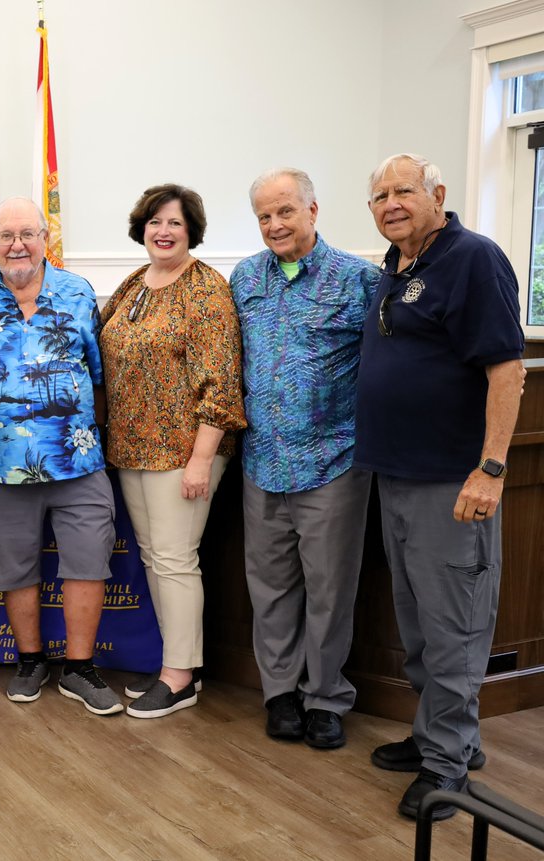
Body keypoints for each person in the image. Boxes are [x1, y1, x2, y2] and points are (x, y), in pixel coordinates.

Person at [357, 154, 524, 820]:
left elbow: (506, 371)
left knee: (455, 626)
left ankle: (448, 767)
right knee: (421, 627)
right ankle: (441, 738)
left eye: (405, 190)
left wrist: (490, 468)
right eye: (379, 196)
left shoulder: (473, 258)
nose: (392, 203)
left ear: (438, 194)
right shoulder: (395, 268)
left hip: (453, 483)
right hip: (395, 475)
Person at [229, 169, 379, 749]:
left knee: (330, 589)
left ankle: (325, 698)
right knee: (269, 588)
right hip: (262, 460)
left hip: (333, 462)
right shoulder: (244, 278)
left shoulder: (360, 280)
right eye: (264, 216)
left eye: (285, 211)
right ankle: (280, 694)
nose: (274, 225)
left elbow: (391, 364)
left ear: (314, 210)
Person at [0, 197, 121, 716]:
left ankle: (79, 667)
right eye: (6, 235)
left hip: (79, 460)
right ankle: (31, 660)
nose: (17, 244)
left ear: (44, 238)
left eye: (27, 233)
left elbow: (98, 377)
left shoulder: (76, 292)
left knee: (88, 561)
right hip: (1, 463)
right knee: (13, 565)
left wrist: (97, 435)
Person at [100, 183, 246, 719]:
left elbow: (221, 380)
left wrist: (202, 459)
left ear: (192, 232)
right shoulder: (136, 283)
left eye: (175, 223)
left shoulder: (205, 289)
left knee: (176, 560)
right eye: (155, 221)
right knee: (155, 559)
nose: (164, 231)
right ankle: (173, 665)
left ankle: (181, 677)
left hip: (185, 451)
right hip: (133, 446)